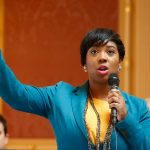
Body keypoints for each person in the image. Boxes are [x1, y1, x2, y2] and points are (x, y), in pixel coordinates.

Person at [0, 28, 150, 150]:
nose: (102, 57)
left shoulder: (140, 108)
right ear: (84, 64)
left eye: (110, 52)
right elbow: (16, 95)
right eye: (94, 52)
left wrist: (126, 118)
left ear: (119, 63)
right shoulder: (59, 96)